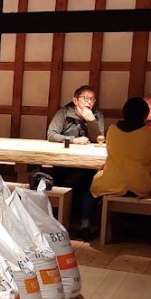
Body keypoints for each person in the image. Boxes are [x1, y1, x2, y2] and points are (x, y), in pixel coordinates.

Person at [47, 86, 104, 239]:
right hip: (63, 162)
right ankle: (56, 224)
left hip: (88, 162)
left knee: (88, 184)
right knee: (61, 182)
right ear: (75, 100)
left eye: (92, 99)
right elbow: (51, 135)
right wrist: (73, 140)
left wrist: (91, 121)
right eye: (85, 98)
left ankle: (84, 225)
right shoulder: (64, 113)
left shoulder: (97, 115)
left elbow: (99, 139)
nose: (89, 102)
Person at [91, 97, 151, 199]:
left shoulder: (112, 129)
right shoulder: (149, 132)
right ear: (145, 115)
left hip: (111, 184)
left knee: (89, 180)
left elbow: (110, 151)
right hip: (138, 186)